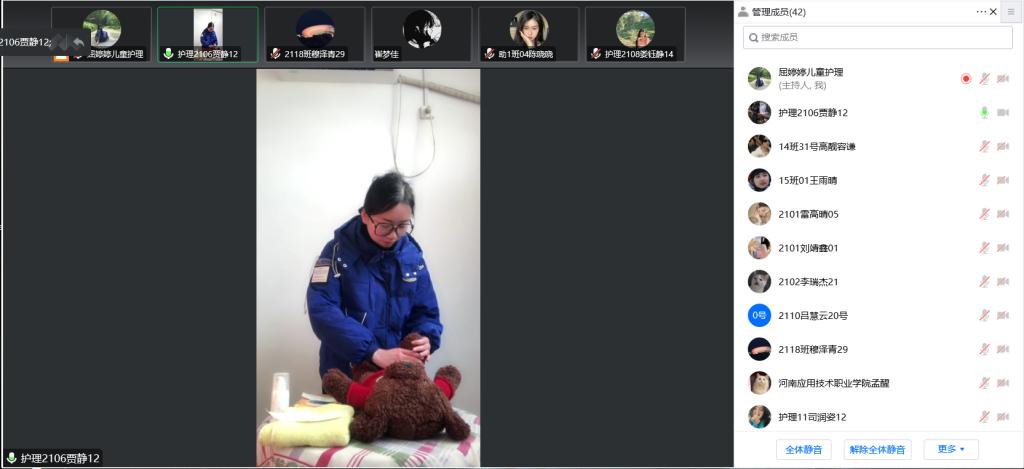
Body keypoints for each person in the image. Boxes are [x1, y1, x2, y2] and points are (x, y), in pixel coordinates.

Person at [307, 172, 443, 380]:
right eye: (385, 225)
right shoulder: (336, 253)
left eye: (402, 226)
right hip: (346, 376)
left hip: (396, 379)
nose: (393, 235)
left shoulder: (412, 257)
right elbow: (322, 310)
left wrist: (426, 338)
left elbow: (426, 312)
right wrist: (373, 352)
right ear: (365, 215)